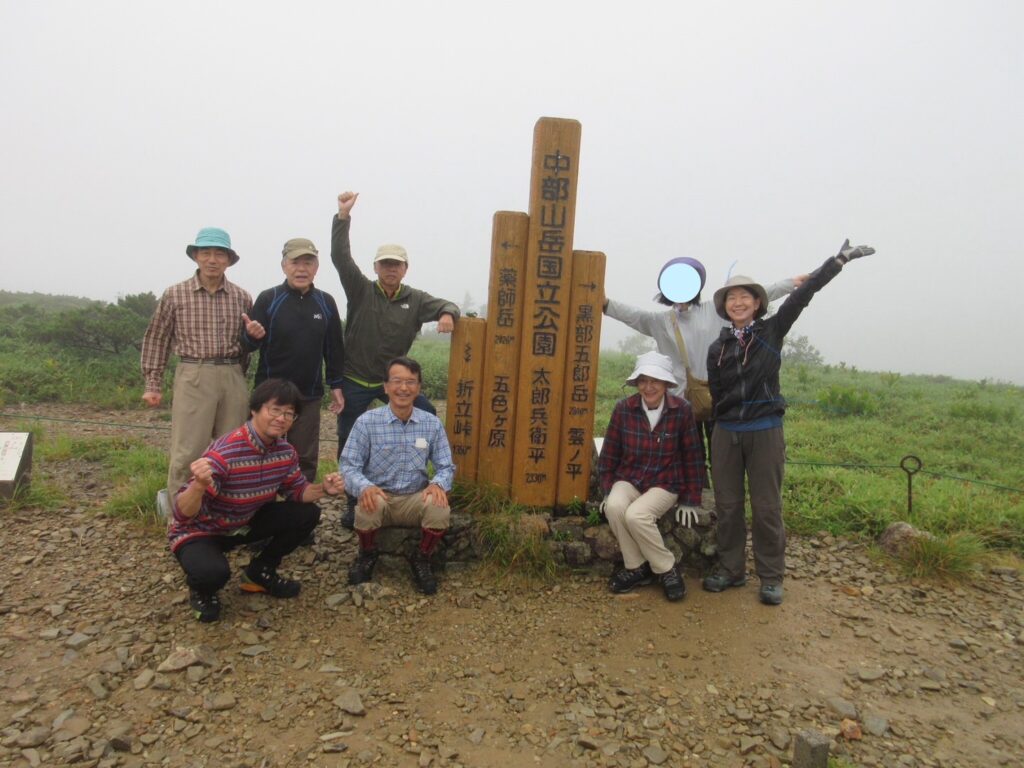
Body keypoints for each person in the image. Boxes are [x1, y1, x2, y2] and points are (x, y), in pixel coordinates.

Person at [703, 239, 874, 606]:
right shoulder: (717, 348)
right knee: (728, 506)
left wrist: (837, 262)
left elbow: (802, 295)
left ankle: (770, 576)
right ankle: (731, 569)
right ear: (724, 306)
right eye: (732, 298)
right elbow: (716, 394)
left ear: (757, 303)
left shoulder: (771, 332)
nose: (738, 302)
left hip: (765, 430)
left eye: (745, 296)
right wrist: (718, 431)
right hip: (727, 433)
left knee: (766, 508)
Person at [330, 191, 460, 528]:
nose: (390, 269)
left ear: (405, 269)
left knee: (427, 414)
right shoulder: (361, 289)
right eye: (385, 264)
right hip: (356, 378)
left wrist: (447, 314)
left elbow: (449, 305)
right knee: (349, 437)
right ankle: (354, 501)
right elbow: (340, 257)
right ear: (376, 267)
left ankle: (420, 484)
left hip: (394, 383)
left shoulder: (415, 299)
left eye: (396, 264)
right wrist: (342, 217)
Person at [168, 378, 345, 622]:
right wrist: (199, 485)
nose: (281, 418)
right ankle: (202, 591)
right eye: (275, 410)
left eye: (289, 414)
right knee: (213, 574)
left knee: (308, 514)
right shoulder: (226, 453)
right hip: (203, 530)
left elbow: (297, 491)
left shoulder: (285, 452)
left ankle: (260, 571)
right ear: (254, 409)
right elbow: (182, 514)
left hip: (244, 522)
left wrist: (324, 489)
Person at [603, 259, 805, 459]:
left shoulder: (714, 310)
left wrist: (792, 283)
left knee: (721, 455)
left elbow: (755, 295)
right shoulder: (660, 321)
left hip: (718, 397)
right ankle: (698, 480)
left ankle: (719, 479)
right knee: (691, 455)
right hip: (681, 403)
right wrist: (605, 304)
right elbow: (633, 315)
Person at [141, 227, 252, 502]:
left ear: (228, 259)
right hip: (193, 372)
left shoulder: (242, 297)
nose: (212, 260)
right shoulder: (175, 294)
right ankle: (180, 515)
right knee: (188, 450)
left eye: (219, 254)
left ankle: (226, 513)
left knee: (233, 449)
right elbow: (157, 338)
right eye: (206, 253)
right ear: (196, 256)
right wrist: (153, 383)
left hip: (232, 373)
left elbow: (247, 343)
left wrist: (238, 375)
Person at [340, 357, 455, 596]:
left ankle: (422, 558)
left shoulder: (431, 424)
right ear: (385, 386)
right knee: (369, 502)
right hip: (381, 496)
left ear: (419, 388)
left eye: (410, 382)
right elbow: (348, 466)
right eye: (397, 381)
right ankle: (367, 554)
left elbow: (446, 466)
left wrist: (438, 484)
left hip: (415, 497)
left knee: (439, 506)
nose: (404, 388)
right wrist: (364, 487)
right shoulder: (366, 422)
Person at [598, 351, 706, 602]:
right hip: (630, 477)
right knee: (614, 506)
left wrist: (690, 499)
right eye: (643, 381)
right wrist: (607, 490)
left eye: (655, 381)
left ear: (666, 384)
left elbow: (692, 455)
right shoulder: (624, 409)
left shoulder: (681, 410)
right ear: (636, 383)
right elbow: (610, 454)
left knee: (637, 515)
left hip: (665, 481)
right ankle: (636, 567)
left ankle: (667, 569)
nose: (649, 387)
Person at [240, 237, 346, 482]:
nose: (301, 269)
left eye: (308, 263)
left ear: (316, 267)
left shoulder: (326, 302)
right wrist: (251, 336)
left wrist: (336, 385)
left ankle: (300, 499)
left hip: (308, 394)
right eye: (295, 262)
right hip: (270, 393)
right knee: (261, 449)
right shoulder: (269, 299)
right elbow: (248, 346)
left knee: (305, 455)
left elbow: (334, 348)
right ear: (284, 266)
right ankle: (259, 497)